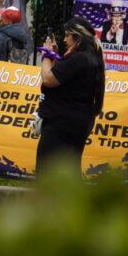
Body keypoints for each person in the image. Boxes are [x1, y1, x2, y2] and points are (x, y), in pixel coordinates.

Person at [36, 17, 105, 173]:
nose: (65, 39)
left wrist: (47, 55)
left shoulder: (79, 58)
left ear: (78, 38)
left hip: (62, 123)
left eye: (67, 35)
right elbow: (62, 76)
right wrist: (55, 56)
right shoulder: (89, 56)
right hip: (76, 121)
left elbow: (48, 79)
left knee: (46, 171)